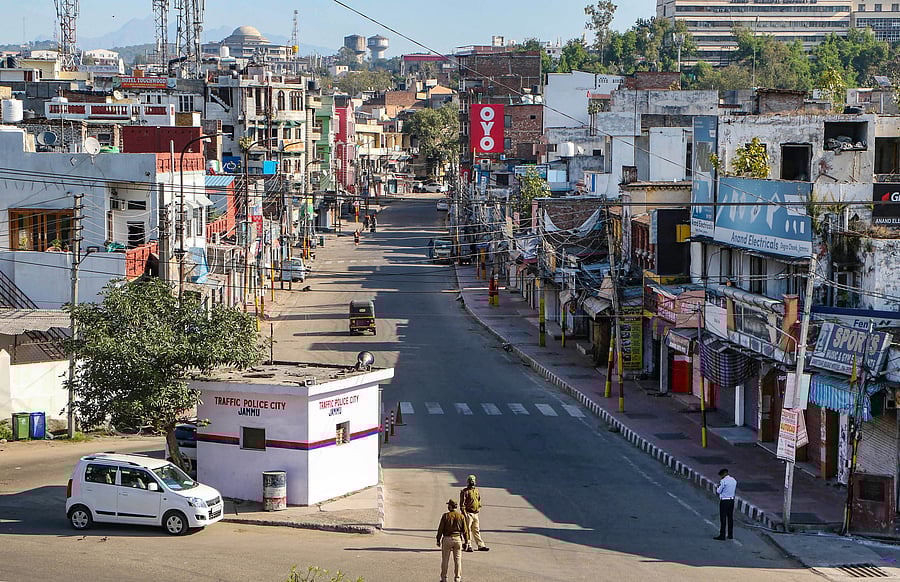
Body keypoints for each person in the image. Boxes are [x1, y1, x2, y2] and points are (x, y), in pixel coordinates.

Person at [436, 498, 468, 582]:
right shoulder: (461, 516)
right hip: (457, 539)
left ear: (450, 506)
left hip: (447, 539)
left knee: (445, 560)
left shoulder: (445, 516)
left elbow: (440, 529)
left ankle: (444, 578)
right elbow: (465, 530)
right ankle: (457, 578)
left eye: (448, 505)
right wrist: (467, 541)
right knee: (458, 560)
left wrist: (438, 539)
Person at [460, 474, 489, 552]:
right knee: (467, 530)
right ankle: (468, 545)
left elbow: (478, 500)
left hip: (475, 513)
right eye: (471, 481)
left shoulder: (476, 491)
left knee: (476, 530)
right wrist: (465, 514)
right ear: (468, 482)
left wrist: (479, 507)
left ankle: (480, 545)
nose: (472, 482)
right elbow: (462, 504)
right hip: (468, 513)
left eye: (473, 480)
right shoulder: (465, 492)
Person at [714, 467, 737, 540]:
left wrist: (717, 487)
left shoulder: (723, 481)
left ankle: (722, 535)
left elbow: (718, 491)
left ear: (723, 474)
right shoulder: (733, 480)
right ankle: (730, 534)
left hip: (724, 501)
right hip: (731, 500)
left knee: (723, 518)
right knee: (730, 518)